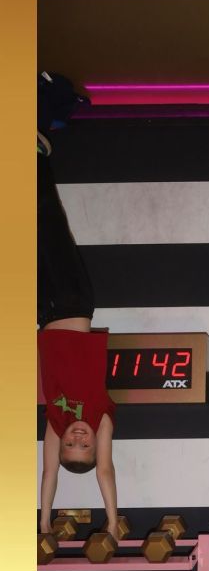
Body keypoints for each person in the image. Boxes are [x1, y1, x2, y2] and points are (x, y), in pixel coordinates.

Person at [37, 71, 120, 541]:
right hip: (73, 303)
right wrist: (110, 520)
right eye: (84, 446)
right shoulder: (101, 415)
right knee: (49, 222)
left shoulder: (56, 421)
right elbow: (105, 471)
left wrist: (44, 519)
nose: (78, 437)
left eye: (71, 443)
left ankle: (50, 113)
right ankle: (44, 123)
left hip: (43, 313)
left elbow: (48, 471)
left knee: (30, 230)